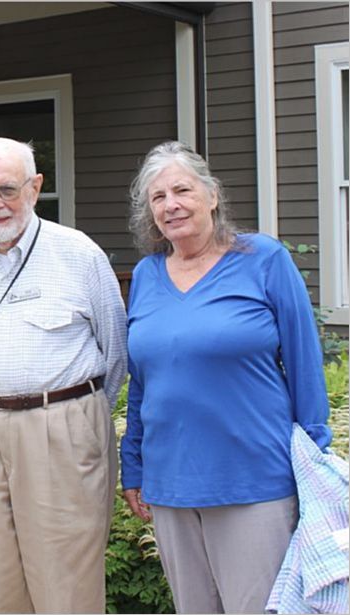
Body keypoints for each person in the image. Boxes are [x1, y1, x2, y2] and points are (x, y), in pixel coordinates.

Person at [120, 140, 333, 614]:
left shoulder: (263, 259)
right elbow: (142, 382)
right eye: (158, 197)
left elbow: (304, 365)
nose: (171, 204)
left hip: (254, 479)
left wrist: (313, 459)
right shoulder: (147, 275)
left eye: (182, 190)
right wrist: (133, 464)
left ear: (211, 195)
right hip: (171, 482)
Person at [0, 137, 128, 614]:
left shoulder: (79, 254)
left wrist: (71, 417)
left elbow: (116, 352)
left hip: (60, 425)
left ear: (36, 186)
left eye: (7, 189)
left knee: (67, 583)